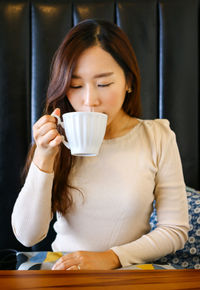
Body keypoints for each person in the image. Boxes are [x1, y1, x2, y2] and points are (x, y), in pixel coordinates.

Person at [11, 19, 189, 270]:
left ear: (128, 81)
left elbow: (175, 229)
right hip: (67, 270)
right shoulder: (54, 139)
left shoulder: (157, 136)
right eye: (75, 85)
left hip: (129, 271)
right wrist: (44, 156)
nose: (89, 100)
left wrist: (111, 258)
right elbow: (28, 236)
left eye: (104, 84)